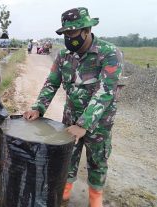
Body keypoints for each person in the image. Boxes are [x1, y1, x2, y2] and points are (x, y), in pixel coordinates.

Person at [23, 7, 123, 207]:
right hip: (70, 117)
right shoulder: (64, 55)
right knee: (67, 155)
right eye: (65, 33)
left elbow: (106, 91)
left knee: (97, 158)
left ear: (86, 30)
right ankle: (66, 189)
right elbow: (51, 83)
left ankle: (95, 195)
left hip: (99, 122)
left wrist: (84, 124)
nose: (69, 38)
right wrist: (38, 108)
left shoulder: (109, 53)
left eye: (73, 32)